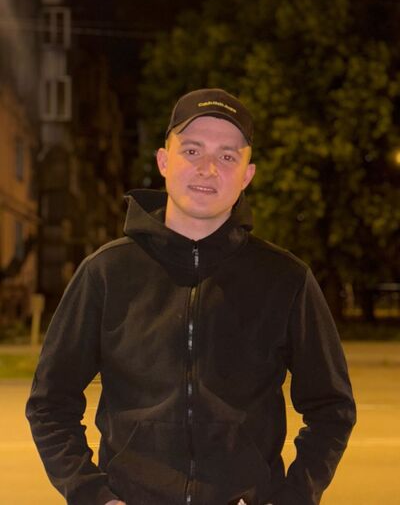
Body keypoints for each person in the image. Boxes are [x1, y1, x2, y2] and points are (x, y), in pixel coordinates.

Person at [26, 88, 356, 505]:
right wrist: (93, 495)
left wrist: (292, 497)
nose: (208, 169)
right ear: (164, 161)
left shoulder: (286, 279)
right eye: (192, 151)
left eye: (227, 156)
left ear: (247, 175)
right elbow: (50, 403)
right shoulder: (105, 273)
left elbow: (332, 409)